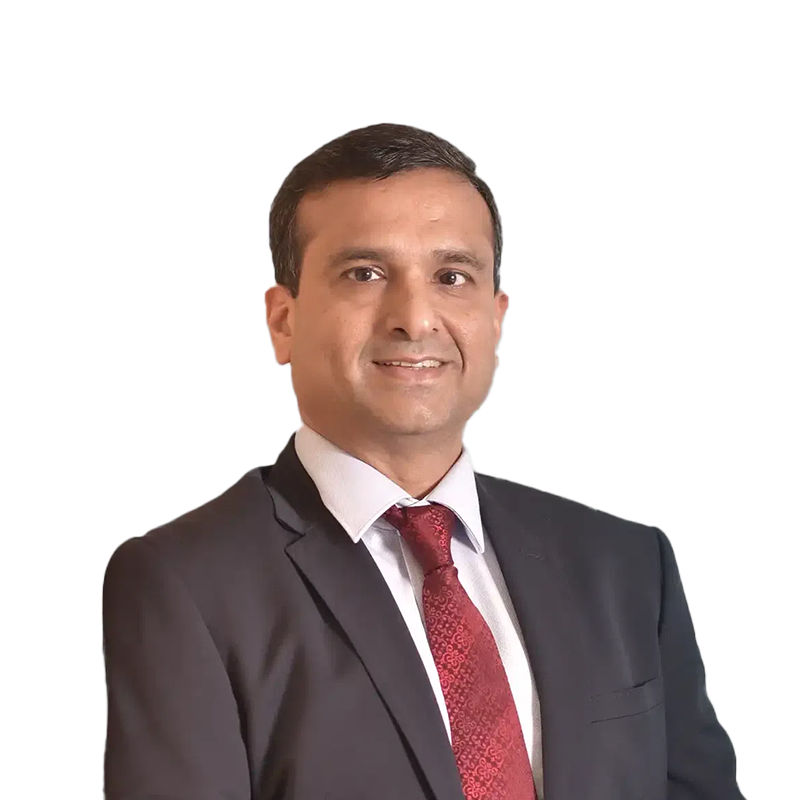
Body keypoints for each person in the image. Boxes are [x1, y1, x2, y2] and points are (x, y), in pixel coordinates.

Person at [102, 122, 745, 800]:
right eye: (364, 273)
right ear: (283, 320)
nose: (415, 317)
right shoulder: (187, 586)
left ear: (494, 318)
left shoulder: (625, 566)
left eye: (452, 276)